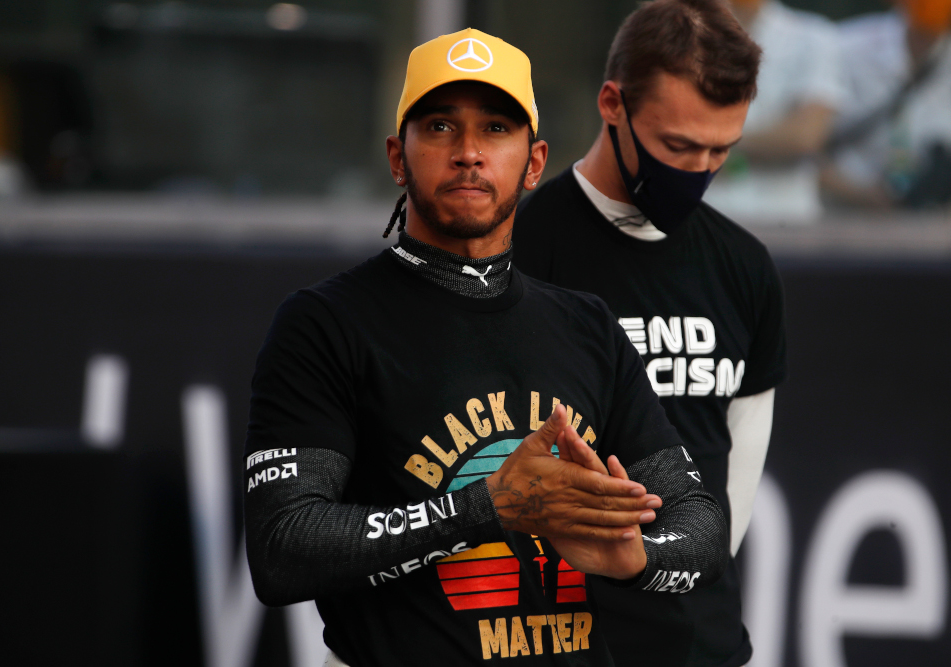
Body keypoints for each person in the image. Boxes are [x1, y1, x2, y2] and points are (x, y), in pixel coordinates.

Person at [245, 28, 729, 667]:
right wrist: (487, 507)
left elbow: (699, 523)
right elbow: (282, 549)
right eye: (440, 127)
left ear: (534, 163)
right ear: (397, 157)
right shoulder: (326, 322)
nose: (469, 153)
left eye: (497, 129)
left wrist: (637, 558)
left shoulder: (587, 325)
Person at [513, 1, 787, 666]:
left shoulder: (744, 267)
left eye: (721, 150)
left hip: (700, 644)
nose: (698, 170)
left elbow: (734, 493)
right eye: (678, 147)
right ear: (613, 104)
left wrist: (681, 570)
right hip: (550, 640)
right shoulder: (520, 248)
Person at [703, 0, 844, 223]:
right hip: (700, 219)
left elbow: (805, 137)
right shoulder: (678, 33)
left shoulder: (812, 35)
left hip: (785, 220)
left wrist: (715, 146)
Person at [822, 0, 951, 208]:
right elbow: (804, 144)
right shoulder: (843, 46)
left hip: (927, 216)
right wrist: (860, 194)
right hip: (839, 211)